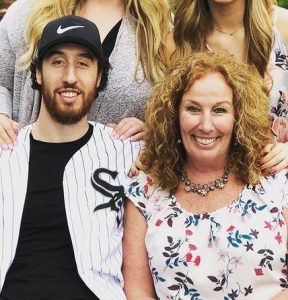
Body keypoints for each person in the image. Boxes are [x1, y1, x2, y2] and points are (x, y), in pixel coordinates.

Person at [123, 51, 288, 300]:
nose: (206, 125)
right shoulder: (145, 191)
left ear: (238, 116)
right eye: (193, 109)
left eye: (220, 110)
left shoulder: (272, 178)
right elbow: (138, 292)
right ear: (173, 114)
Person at [0, 15, 140, 300]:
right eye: (58, 62)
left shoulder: (130, 152)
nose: (70, 77)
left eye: (83, 63)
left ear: (99, 76)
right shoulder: (5, 153)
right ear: (38, 73)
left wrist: (156, 132)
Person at [0, 0, 171, 148]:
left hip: (113, 177)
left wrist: (154, 131)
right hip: (24, 168)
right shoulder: (29, 10)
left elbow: (180, 105)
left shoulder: (160, 25)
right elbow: (2, 80)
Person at [172, 0, 288, 173]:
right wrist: (146, 130)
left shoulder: (283, 26)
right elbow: (172, 118)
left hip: (279, 177)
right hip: (216, 182)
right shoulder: (182, 38)